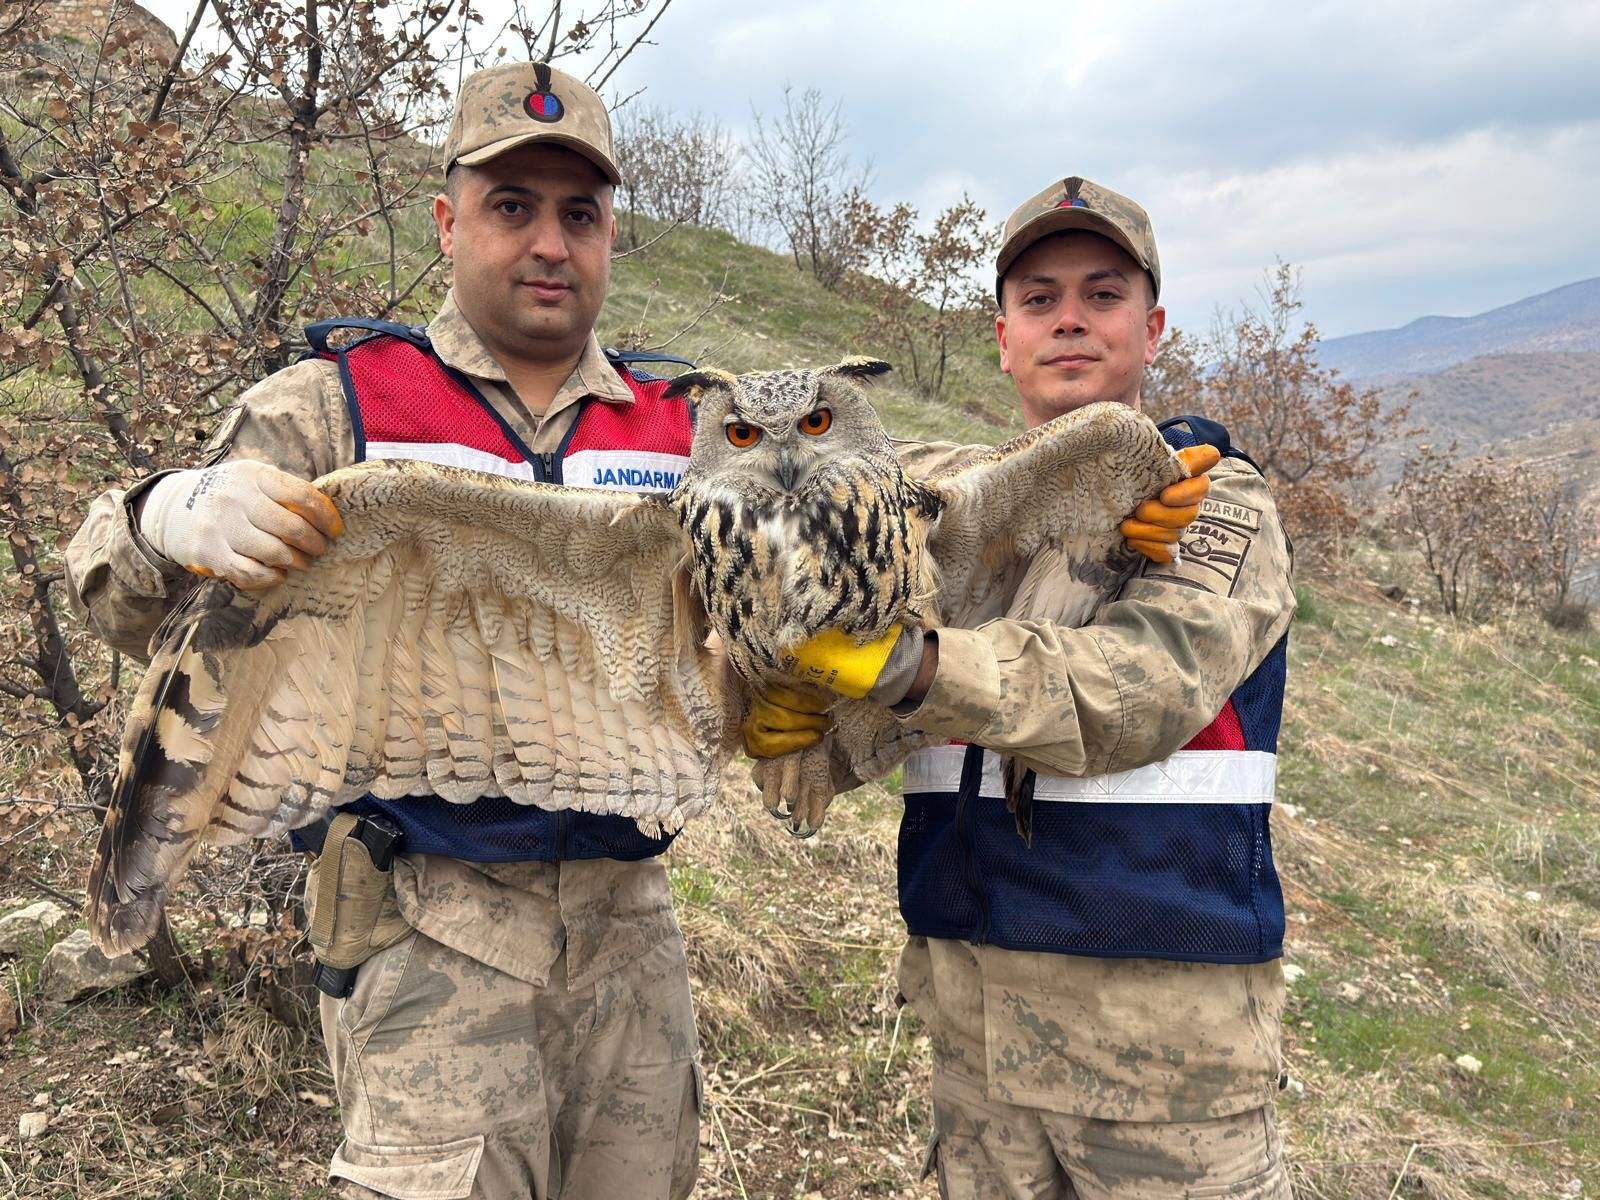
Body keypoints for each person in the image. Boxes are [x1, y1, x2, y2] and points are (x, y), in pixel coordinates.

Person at [66, 63, 702, 1200]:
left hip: (633, 937)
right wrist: (168, 516)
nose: (550, 243)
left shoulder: (686, 423)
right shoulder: (340, 405)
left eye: (580, 214)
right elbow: (123, 599)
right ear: (446, 220)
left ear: (612, 234)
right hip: (428, 932)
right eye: (512, 207)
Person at [750, 177, 1296, 1197]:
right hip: (973, 1041)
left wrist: (910, 665)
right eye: (1039, 298)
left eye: (1102, 293)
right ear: (1001, 336)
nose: (1070, 321)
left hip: (1161, 1061)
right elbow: (782, 464)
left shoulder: (1209, 498)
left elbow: (1140, 686)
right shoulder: (959, 498)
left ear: (1152, 324)